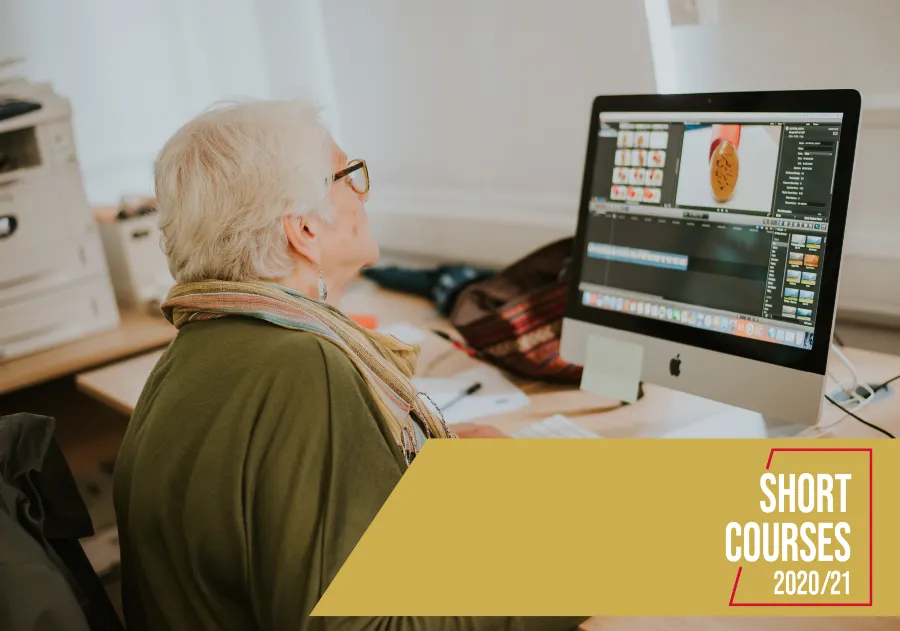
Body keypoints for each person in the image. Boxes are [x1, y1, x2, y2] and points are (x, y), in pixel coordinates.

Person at [113, 99, 584, 631]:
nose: (363, 194)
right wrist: (589, 564)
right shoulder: (301, 367)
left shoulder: (197, 351)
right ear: (305, 230)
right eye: (348, 176)